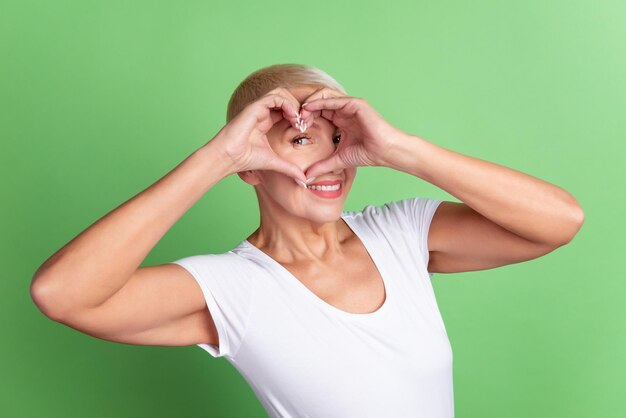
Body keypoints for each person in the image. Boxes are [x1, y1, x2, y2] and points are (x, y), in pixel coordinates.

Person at [30, 63, 585, 418]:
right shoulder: (230, 290)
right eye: (300, 139)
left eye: (338, 138)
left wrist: (399, 150)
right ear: (249, 162)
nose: (330, 161)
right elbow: (62, 294)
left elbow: (559, 221)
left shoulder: (402, 232)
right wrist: (214, 160)